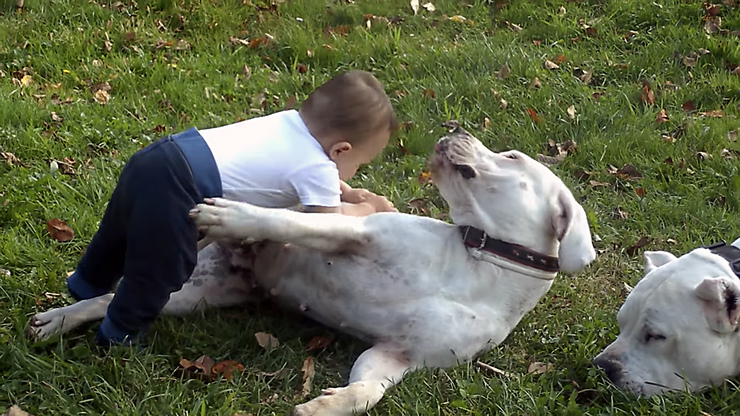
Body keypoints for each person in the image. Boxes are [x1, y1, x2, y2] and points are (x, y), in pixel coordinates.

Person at [66, 70, 398, 346]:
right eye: (361, 162)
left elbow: (316, 178)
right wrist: (367, 211)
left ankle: (87, 282)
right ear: (341, 150)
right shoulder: (317, 168)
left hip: (162, 156)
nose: (355, 171)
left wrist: (350, 191)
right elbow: (329, 227)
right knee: (161, 268)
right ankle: (118, 333)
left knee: (118, 230)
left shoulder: (289, 124)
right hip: (182, 188)